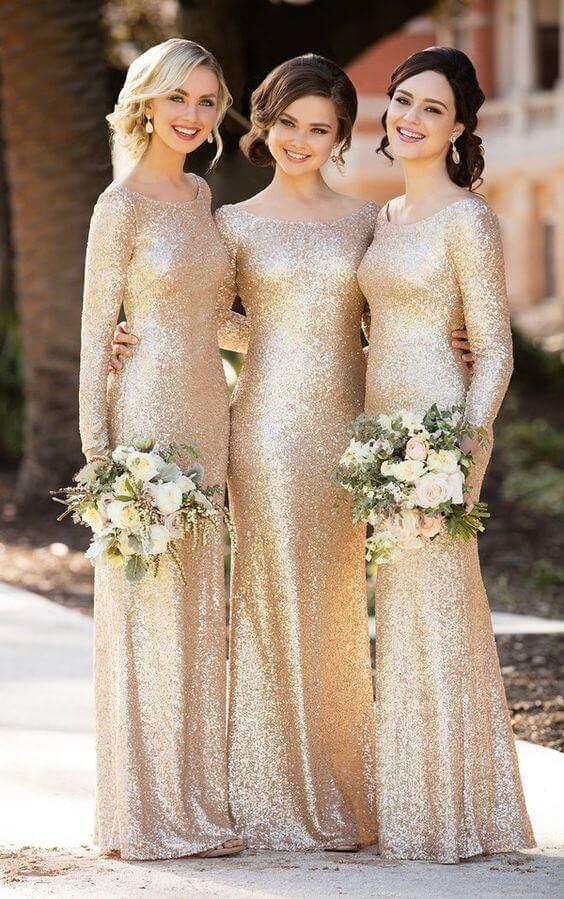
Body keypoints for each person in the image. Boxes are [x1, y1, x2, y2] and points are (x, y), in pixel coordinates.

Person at [357, 46, 535, 863]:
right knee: (397, 617)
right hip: (376, 438)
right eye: (402, 100)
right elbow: (357, 331)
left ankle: (457, 815)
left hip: (435, 438)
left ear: (460, 127)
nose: (410, 117)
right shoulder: (383, 220)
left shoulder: (470, 218)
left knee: (439, 611)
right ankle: (409, 804)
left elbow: (494, 351)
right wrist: (176, 328)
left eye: (432, 107)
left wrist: (457, 455)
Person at [79, 38, 243, 860]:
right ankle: (142, 811)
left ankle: (192, 799)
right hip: (143, 417)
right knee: (145, 603)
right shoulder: (121, 207)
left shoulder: (200, 192)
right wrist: (99, 458)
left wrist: (311, 326)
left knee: (194, 608)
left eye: (208, 102)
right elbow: (92, 334)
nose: (193, 115)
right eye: (179, 98)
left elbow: (214, 318)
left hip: (207, 413)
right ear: (145, 101)